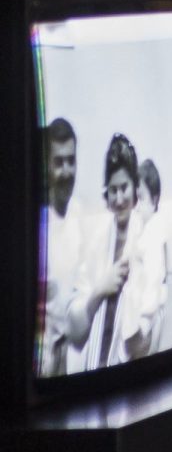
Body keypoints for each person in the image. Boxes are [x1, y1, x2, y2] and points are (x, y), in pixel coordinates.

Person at [68, 133, 142, 369]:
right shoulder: (96, 241)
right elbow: (74, 331)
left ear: (135, 189)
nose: (119, 199)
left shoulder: (147, 237)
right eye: (113, 190)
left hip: (134, 369)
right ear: (106, 194)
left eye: (124, 188)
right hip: (95, 369)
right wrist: (100, 289)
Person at [38, 117, 84, 376]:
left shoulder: (79, 213)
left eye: (71, 161)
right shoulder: (38, 225)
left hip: (73, 358)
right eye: (58, 162)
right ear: (47, 164)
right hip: (45, 363)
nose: (66, 171)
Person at [121, 158, 169, 359]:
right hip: (136, 317)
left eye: (141, 199)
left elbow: (154, 277)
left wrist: (143, 325)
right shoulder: (143, 227)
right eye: (136, 199)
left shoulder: (154, 232)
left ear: (155, 199)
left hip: (143, 324)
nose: (137, 206)